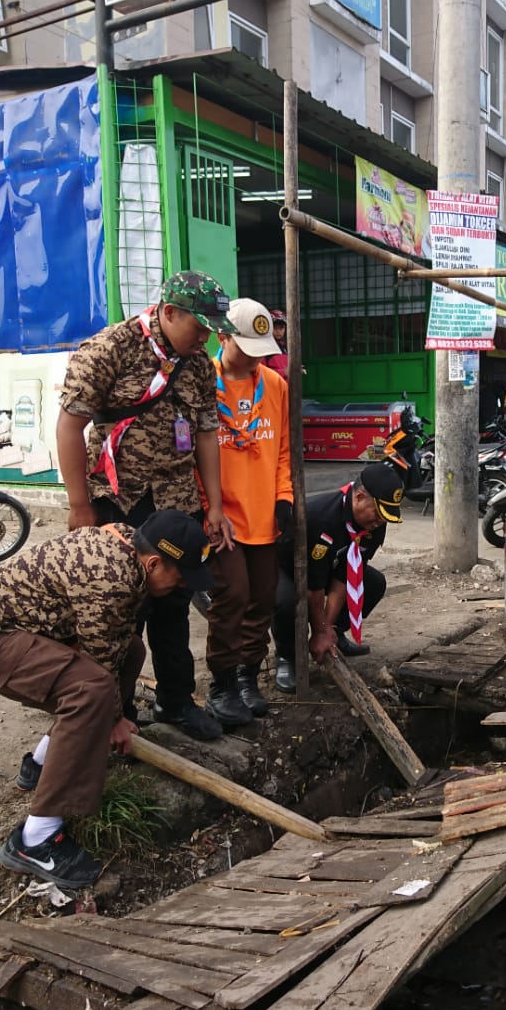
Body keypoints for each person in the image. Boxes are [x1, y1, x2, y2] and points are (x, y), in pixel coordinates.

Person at [0, 511, 213, 891]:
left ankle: (41, 763)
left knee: (133, 652)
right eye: (181, 576)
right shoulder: (111, 577)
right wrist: (112, 722)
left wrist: (112, 721)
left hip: (13, 628)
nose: (182, 586)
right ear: (154, 562)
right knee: (89, 690)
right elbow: (98, 666)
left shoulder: (128, 545)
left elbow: (114, 647)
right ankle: (36, 838)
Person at [56, 271, 236, 742]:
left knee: (174, 603)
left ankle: (175, 702)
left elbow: (205, 434)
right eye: (198, 328)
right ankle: (110, 709)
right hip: (117, 500)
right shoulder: (109, 349)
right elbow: (69, 428)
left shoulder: (198, 363)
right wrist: (79, 507)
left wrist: (213, 505)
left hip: (176, 500)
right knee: (117, 610)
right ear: (168, 312)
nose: (204, 339)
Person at [204, 298, 292, 725]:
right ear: (222, 337)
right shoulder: (201, 383)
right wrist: (207, 510)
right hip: (220, 518)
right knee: (232, 596)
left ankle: (247, 679)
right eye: (247, 347)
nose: (257, 358)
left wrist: (284, 498)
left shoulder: (275, 385)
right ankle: (221, 685)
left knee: (263, 598)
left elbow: (284, 453)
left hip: (264, 516)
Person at [271, 463, 403, 691]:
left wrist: (326, 627)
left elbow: (347, 575)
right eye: (378, 513)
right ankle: (287, 656)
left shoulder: (375, 523)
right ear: (359, 497)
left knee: (373, 583)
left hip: (330, 566)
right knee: (286, 602)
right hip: (287, 567)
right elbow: (314, 587)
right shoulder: (319, 516)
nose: (380, 522)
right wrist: (319, 629)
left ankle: (336, 634)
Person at [263, 310, 290, 380]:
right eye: (275, 327)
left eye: (281, 328)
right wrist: (283, 372)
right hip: (271, 389)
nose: (278, 331)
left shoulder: (285, 347)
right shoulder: (263, 347)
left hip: (285, 388)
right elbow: (260, 373)